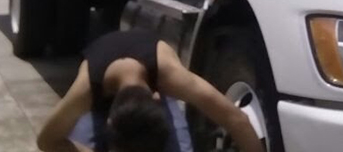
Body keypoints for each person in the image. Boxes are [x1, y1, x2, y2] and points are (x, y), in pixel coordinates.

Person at [37, 29, 265, 152]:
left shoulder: (171, 77)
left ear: (158, 99)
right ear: (109, 122)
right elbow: (47, 142)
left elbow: (237, 120)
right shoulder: (86, 91)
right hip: (101, 101)